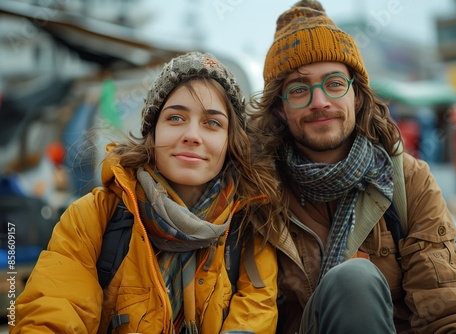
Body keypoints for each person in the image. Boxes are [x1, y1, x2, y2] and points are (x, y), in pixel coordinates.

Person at [247, 1, 456, 333]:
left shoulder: (406, 179)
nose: (319, 101)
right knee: (354, 279)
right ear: (279, 108)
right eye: (299, 89)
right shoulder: (257, 191)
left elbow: (448, 303)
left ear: (357, 96)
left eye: (334, 83)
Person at [12, 52, 282, 334]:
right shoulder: (93, 217)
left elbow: (255, 316)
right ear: (152, 133)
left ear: (230, 141)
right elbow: (53, 310)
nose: (192, 135)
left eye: (212, 123)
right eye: (176, 118)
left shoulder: (250, 228)